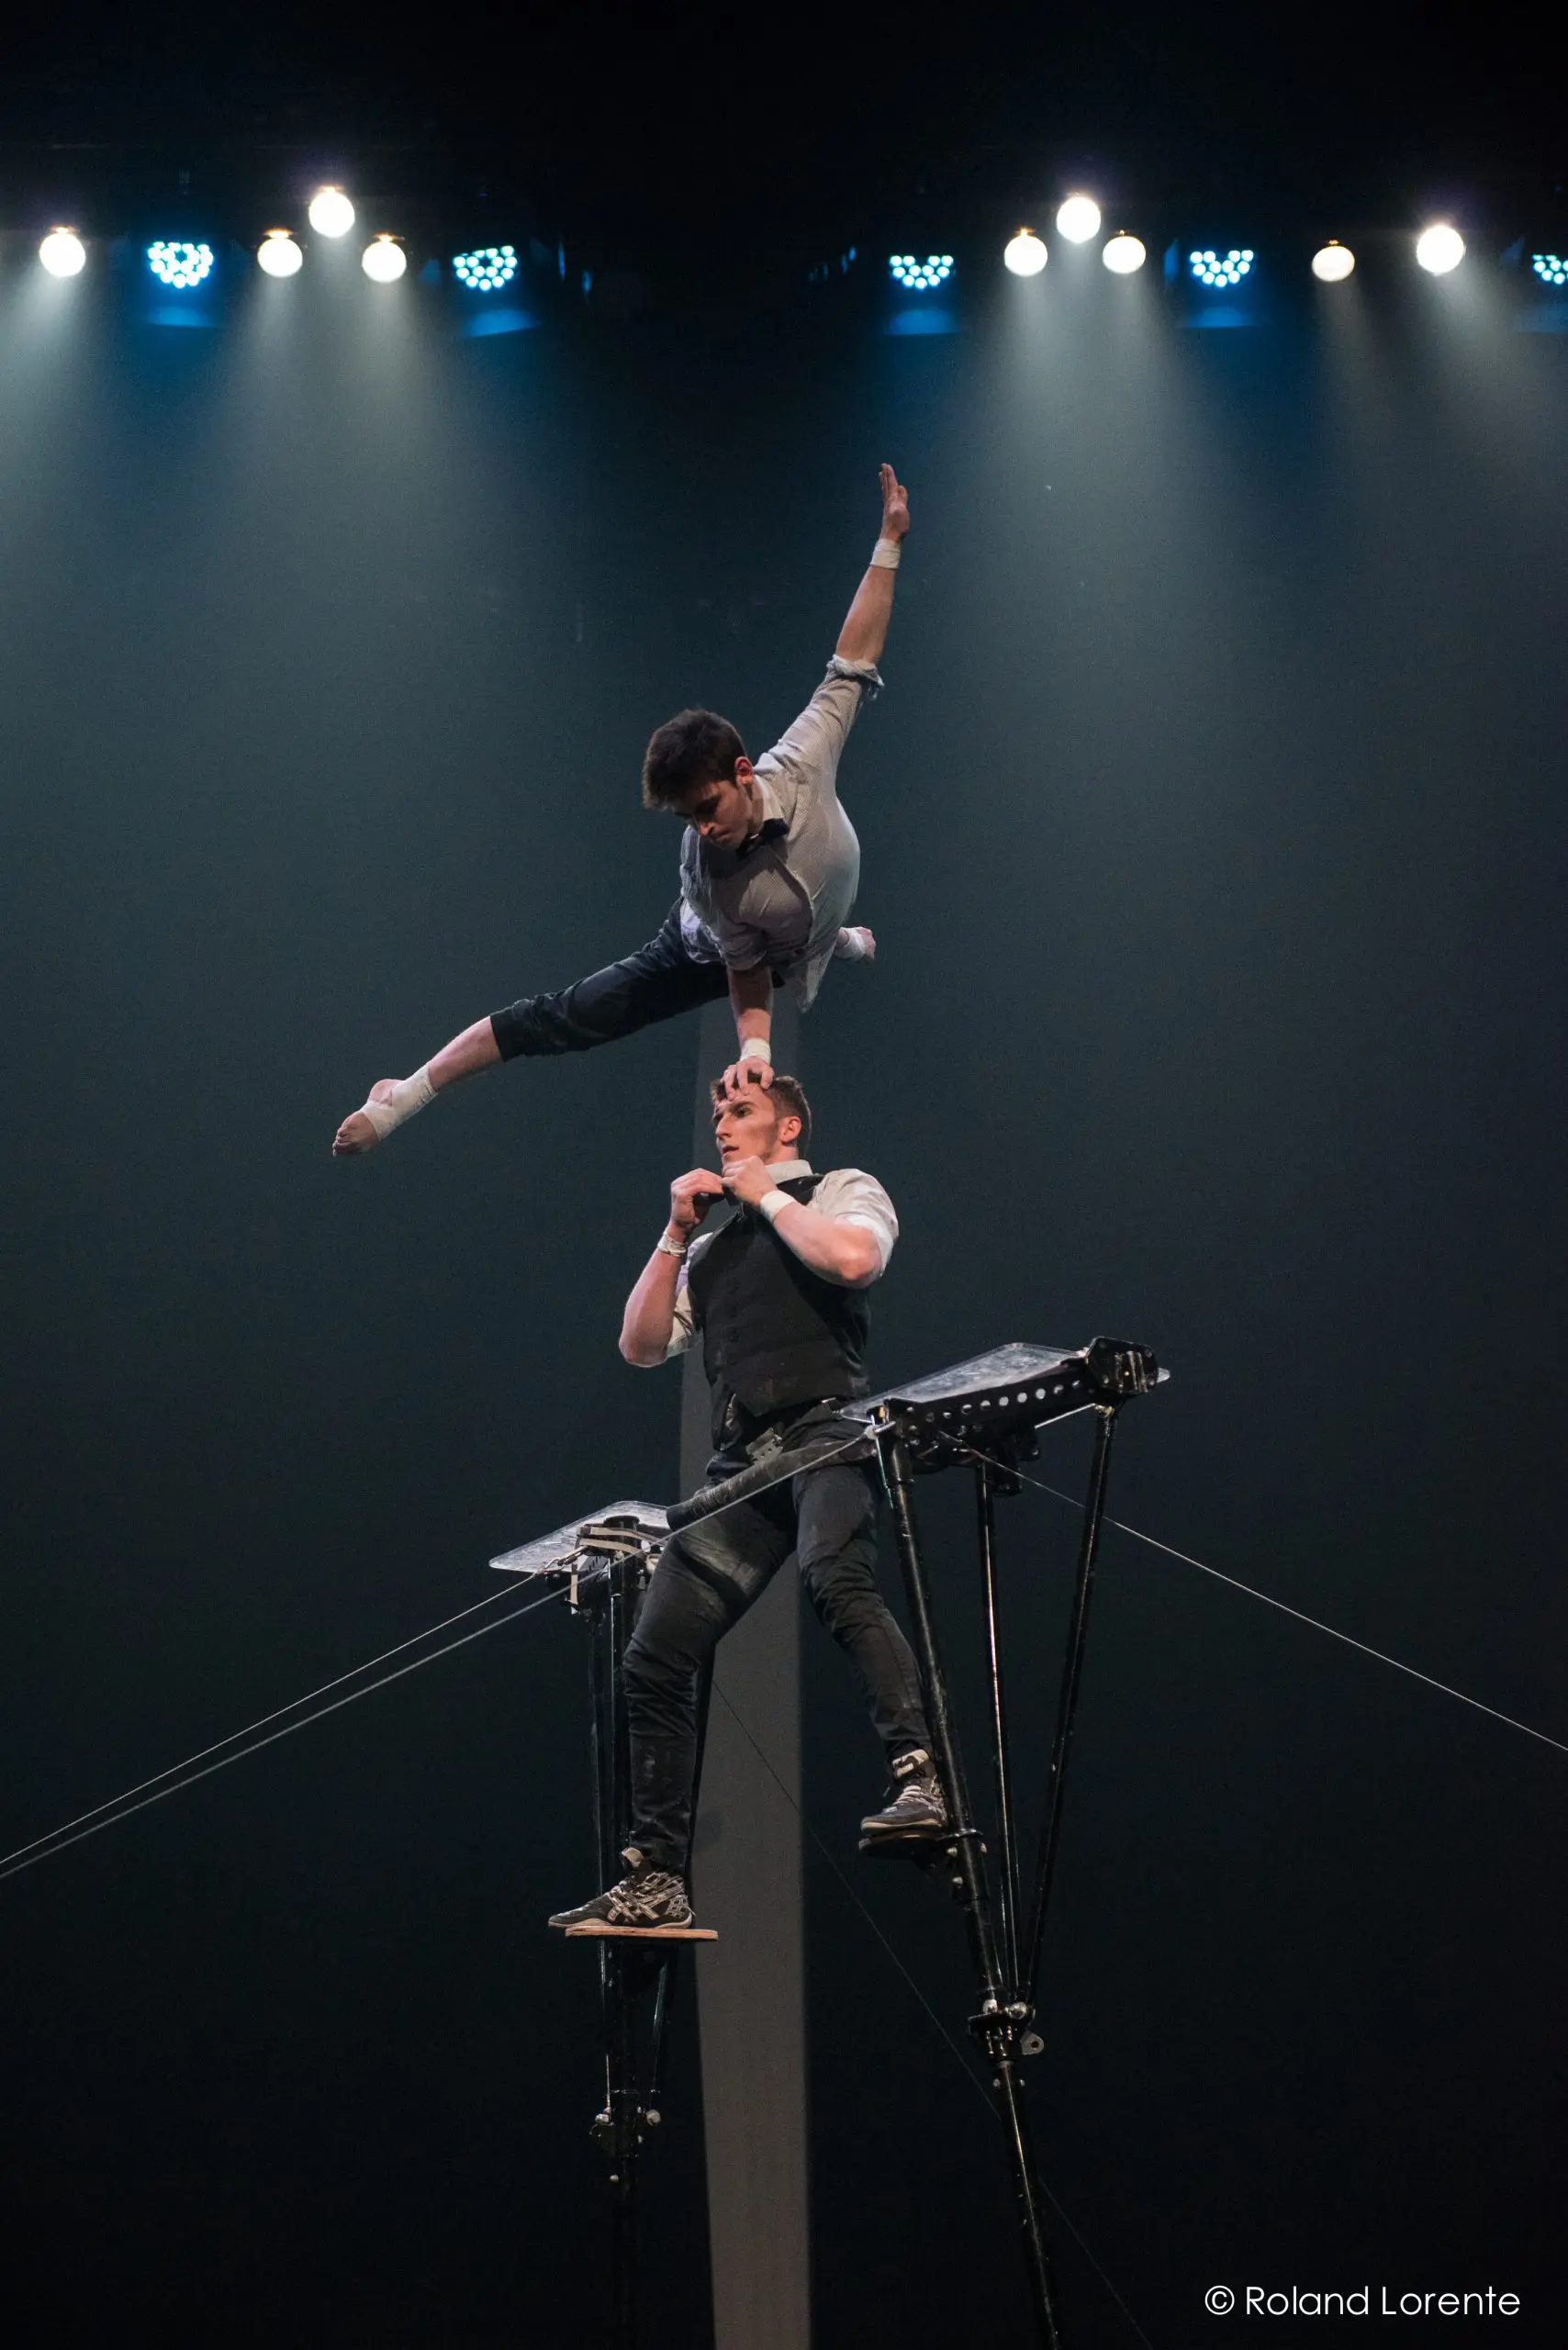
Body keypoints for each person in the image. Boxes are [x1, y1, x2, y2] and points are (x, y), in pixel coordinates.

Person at [331, 464, 910, 1158]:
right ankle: (406, 1093)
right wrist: (753, 1045)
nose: (703, 830)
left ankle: (835, 939)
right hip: (706, 950)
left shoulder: (804, 756)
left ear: (743, 771)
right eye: (686, 821)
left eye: (707, 808)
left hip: (807, 920)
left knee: (814, 927)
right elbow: (746, 971)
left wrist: (889, 541)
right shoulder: (710, 872)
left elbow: (852, 656)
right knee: (563, 1017)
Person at [549, 1072, 946, 1937]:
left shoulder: (840, 1189)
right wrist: (672, 1234)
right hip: (742, 1460)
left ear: (789, 1124)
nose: (722, 1126)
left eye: (741, 1113)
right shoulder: (711, 1248)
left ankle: (921, 1775)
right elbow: (642, 1345)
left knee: (836, 1578)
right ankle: (656, 1878)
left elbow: (853, 1259)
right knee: (654, 1655)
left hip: (828, 1429)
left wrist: (768, 1195)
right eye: (719, 1115)